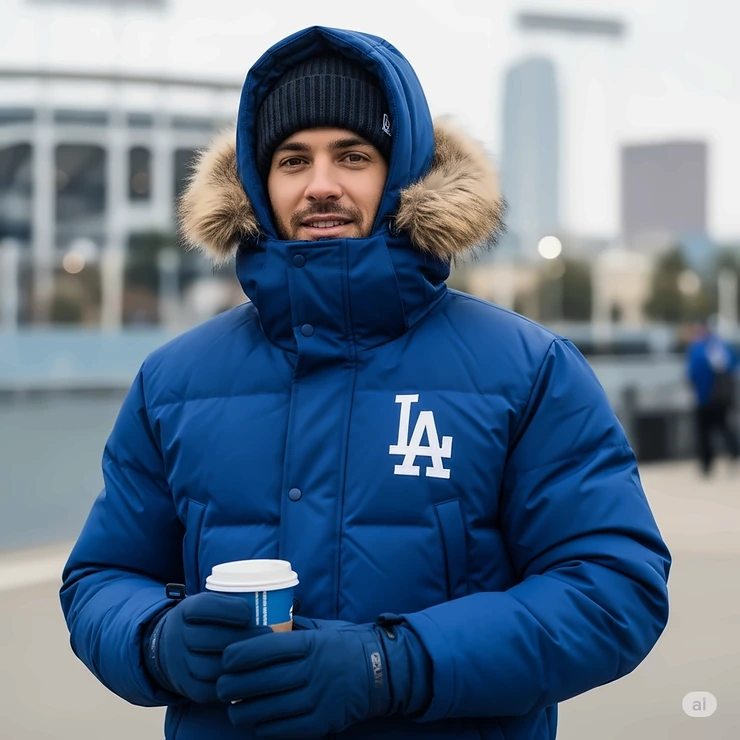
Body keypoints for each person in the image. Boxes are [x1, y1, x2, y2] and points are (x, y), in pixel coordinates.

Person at [60, 25, 671, 740]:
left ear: (400, 171)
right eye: (293, 160)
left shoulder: (527, 370)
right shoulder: (173, 381)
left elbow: (612, 590)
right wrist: (157, 642)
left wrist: (394, 665)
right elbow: (99, 577)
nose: (321, 185)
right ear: (259, 183)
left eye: (353, 155)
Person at [686, 318, 739, 475]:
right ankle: (734, 454)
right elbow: (734, 364)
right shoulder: (721, 346)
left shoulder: (697, 349)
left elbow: (692, 374)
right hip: (722, 398)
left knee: (704, 432)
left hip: (704, 397)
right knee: (724, 427)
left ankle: (707, 464)